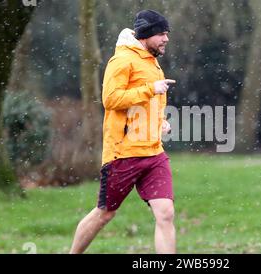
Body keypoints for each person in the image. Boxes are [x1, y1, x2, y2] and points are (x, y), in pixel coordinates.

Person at [69, 10, 176, 254]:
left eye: (167, 33)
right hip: (123, 155)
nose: (166, 38)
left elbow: (147, 104)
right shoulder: (122, 60)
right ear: (146, 34)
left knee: (166, 214)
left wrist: (159, 122)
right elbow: (111, 99)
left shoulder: (151, 61)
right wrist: (150, 89)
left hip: (153, 153)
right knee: (105, 213)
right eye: (161, 33)